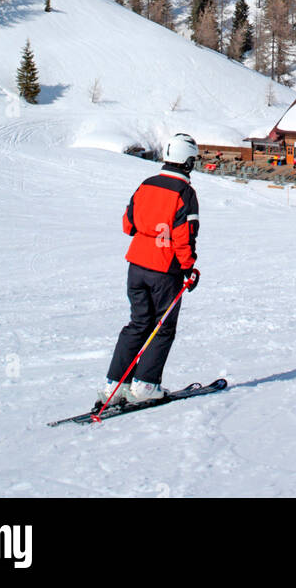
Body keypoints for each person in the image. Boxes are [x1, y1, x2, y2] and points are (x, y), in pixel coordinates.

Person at [99, 133, 200, 405]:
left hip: (136, 266)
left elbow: (128, 225)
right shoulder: (184, 193)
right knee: (162, 327)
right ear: (187, 161)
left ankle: (115, 384)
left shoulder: (146, 185)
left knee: (138, 323)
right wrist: (189, 268)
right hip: (165, 270)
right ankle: (145, 385)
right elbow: (184, 236)